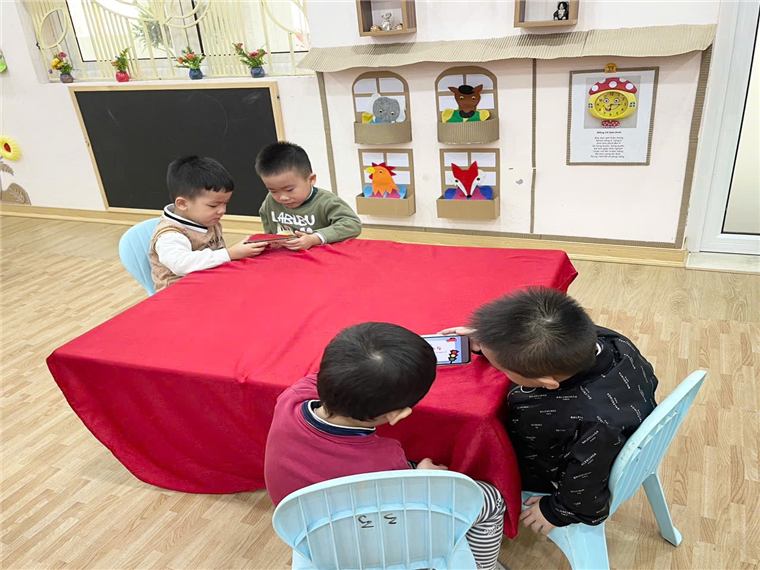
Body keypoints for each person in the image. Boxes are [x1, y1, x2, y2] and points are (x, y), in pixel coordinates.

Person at [265, 322, 507, 570]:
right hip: (378, 542)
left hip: (311, 533)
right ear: (396, 415)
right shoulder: (384, 459)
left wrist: (386, 356)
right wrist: (424, 477)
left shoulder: (294, 396)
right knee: (491, 499)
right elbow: (405, 499)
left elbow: (337, 374)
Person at [440, 287, 658, 535]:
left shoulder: (592, 425)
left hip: (548, 467)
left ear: (547, 383)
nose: (498, 369)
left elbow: (586, 483)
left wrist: (558, 510)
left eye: (501, 368)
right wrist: (491, 342)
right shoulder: (608, 341)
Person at [149, 156, 266, 292]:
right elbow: (181, 264)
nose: (222, 210)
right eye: (213, 205)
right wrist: (230, 254)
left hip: (210, 283)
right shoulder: (169, 235)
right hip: (179, 294)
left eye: (225, 203)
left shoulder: (205, 219)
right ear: (182, 204)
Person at [255, 141, 361, 251]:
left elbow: (352, 224)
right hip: (287, 254)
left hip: (321, 254)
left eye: (289, 190)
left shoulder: (327, 202)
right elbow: (265, 216)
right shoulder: (271, 201)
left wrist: (314, 239)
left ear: (311, 180)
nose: (282, 197)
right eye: (273, 190)